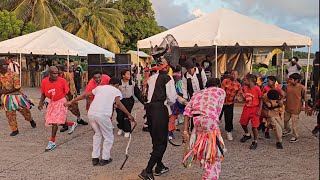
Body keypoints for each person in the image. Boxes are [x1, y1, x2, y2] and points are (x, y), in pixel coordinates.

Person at [65, 77, 135, 166]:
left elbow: (85, 95)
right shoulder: (115, 90)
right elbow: (118, 104)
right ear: (117, 84)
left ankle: (95, 157)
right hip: (103, 115)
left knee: (97, 134)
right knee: (108, 136)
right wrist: (129, 114)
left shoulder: (99, 87)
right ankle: (105, 158)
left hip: (92, 114)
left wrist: (71, 101)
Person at [139, 58, 176, 180]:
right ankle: (148, 170)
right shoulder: (168, 78)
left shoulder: (151, 77)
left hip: (149, 110)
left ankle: (159, 166)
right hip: (160, 109)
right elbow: (172, 98)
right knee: (161, 143)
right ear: (166, 67)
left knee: (156, 140)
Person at [182, 78, 226, 180]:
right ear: (218, 85)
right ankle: (210, 176)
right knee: (214, 151)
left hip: (196, 121)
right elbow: (218, 110)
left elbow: (187, 111)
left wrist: (185, 130)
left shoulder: (198, 93)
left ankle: (208, 172)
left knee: (205, 146)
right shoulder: (220, 91)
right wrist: (214, 122)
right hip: (210, 120)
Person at [38, 66, 78, 151]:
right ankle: (71, 124)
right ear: (49, 73)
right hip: (52, 102)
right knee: (56, 120)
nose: (56, 75)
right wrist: (40, 103)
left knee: (55, 121)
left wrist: (70, 103)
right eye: (54, 73)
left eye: (57, 73)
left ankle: (52, 142)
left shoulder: (62, 81)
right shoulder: (44, 81)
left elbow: (68, 93)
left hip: (61, 102)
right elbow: (43, 93)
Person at [0, 59, 36, 136]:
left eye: (6, 64)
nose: (6, 66)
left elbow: (17, 87)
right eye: (4, 65)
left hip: (17, 96)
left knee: (25, 111)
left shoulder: (13, 74)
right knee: (9, 114)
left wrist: (4, 92)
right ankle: (15, 130)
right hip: (8, 98)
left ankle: (31, 120)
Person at [57, 65, 88, 133]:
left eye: (59, 72)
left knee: (74, 107)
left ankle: (79, 119)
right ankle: (65, 125)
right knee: (61, 110)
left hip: (69, 93)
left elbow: (72, 85)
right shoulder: (55, 77)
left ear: (62, 71)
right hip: (59, 95)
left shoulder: (68, 75)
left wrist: (73, 95)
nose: (58, 73)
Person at [117, 68, 144, 138]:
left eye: (130, 74)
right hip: (120, 101)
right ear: (123, 75)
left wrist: (144, 102)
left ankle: (127, 130)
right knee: (119, 116)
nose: (129, 75)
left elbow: (138, 94)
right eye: (128, 74)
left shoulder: (132, 83)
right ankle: (120, 127)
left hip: (129, 101)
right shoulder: (118, 83)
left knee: (126, 115)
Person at [239, 74, 263, 149]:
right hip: (247, 108)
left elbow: (261, 99)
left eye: (245, 80)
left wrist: (260, 109)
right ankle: (247, 134)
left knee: (254, 126)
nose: (243, 81)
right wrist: (242, 98)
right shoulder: (244, 88)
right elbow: (245, 99)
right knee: (243, 123)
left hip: (255, 109)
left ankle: (255, 141)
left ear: (250, 81)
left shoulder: (257, 89)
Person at [282, 73, 309, 143]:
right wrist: (281, 100)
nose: (290, 80)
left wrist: (306, 106)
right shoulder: (287, 86)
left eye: (291, 79)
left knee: (294, 123)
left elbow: (305, 98)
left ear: (296, 80)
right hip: (288, 107)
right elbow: (284, 95)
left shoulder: (302, 88)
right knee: (285, 120)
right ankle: (287, 129)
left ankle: (295, 136)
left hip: (296, 108)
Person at [219, 70, 243, 141]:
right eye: (232, 74)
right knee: (218, 116)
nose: (234, 76)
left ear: (237, 76)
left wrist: (239, 97)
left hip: (230, 103)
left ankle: (228, 132)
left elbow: (239, 94)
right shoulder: (225, 81)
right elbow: (222, 91)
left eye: (235, 74)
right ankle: (214, 130)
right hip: (221, 102)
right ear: (230, 75)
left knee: (229, 118)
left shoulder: (238, 85)